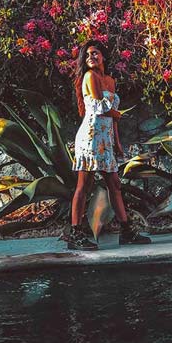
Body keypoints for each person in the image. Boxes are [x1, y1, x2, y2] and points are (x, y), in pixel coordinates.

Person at [67, 40, 150, 250]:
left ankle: (126, 231)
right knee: (83, 186)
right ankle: (74, 235)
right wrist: (118, 114)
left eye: (95, 53)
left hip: (105, 139)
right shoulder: (90, 76)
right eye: (87, 55)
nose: (91, 58)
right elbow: (99, 108)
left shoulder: (110, 81)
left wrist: (117, 142)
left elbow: (112, 119)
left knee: (115, 184)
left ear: (103, 56)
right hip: (90, 137)